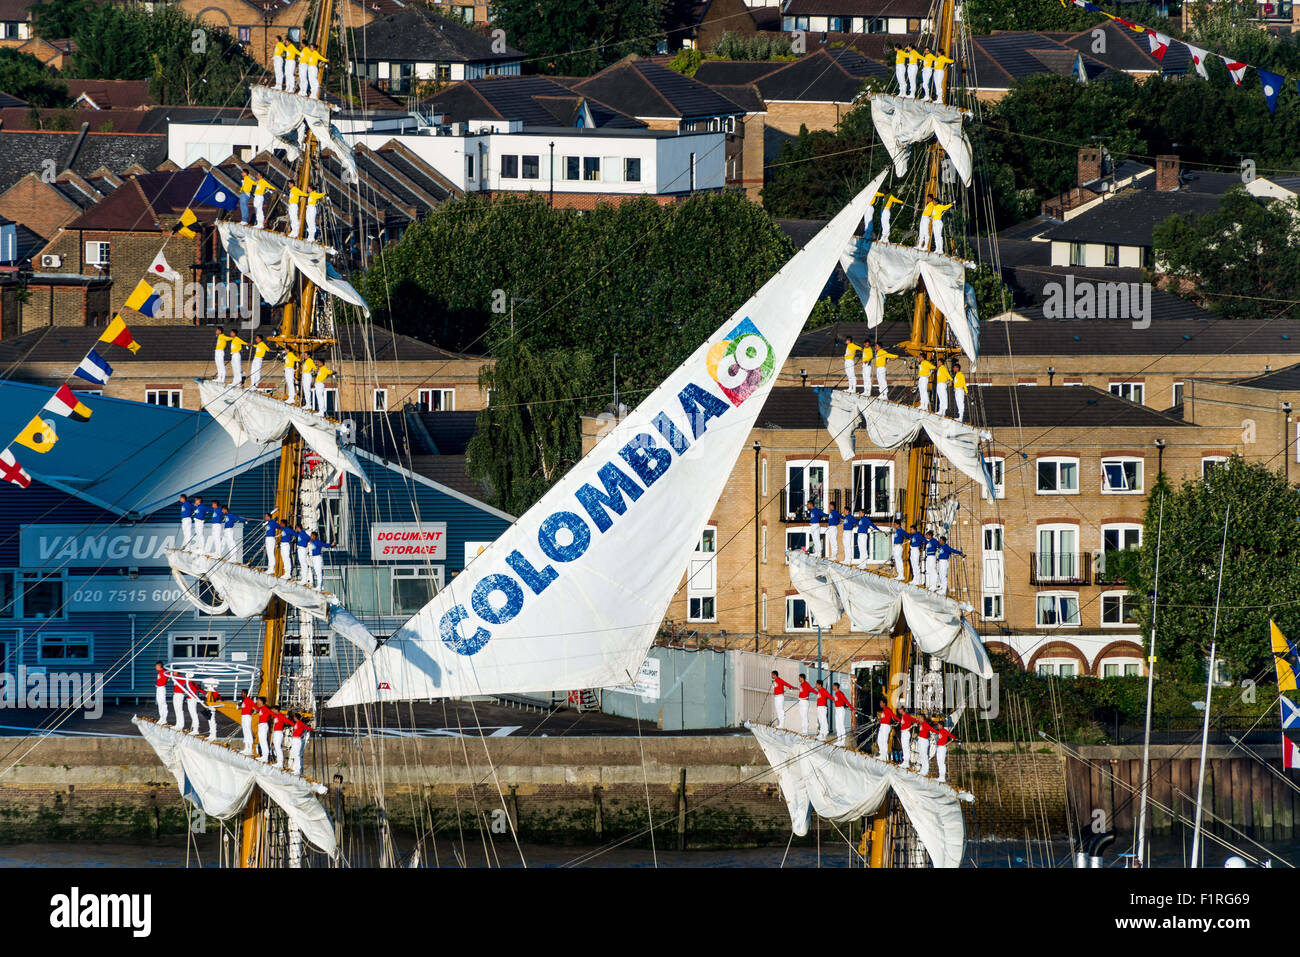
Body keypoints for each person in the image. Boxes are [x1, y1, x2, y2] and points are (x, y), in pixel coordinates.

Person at [832, 683, 851, 748]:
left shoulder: (840, 693)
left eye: (833, 686)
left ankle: (843, 741)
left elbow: (845, 700)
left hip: (840, 709)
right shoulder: (836, 693)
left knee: (841, 725)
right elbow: (840, 701)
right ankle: (839, 739)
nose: (832, 687)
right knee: (837, 725)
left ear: (836, 687)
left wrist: (851, 708)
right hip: (837, 709)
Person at [255, 696, 273, 762]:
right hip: (261, 725)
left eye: (258, 700)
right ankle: (264, 756)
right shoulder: (261, 708)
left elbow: (271, 713)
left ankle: (265, 756)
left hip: (264, 725)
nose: (257, 701)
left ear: (261, 701)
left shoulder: (265, 708)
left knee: (263, 740)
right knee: (261, 740)